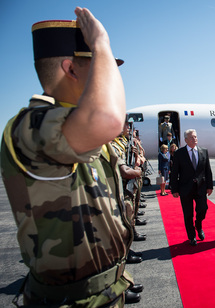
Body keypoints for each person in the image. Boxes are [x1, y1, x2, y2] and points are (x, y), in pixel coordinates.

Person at [0, 8, 140, 306]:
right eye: (100, 65)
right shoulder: (30, 126)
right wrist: (101, 43)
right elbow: (108, 118)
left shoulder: (80, 130)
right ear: (71, 69)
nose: (110, 72)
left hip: (106, 293)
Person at [170, 129, 213, 246]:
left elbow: (207, 170)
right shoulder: (179, 153)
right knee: (188, 214)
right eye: (192, 137)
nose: (195, 139)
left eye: (195, 136)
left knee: (203, 209)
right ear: (186, 140)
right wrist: (174, 189)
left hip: (201, 187)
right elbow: (174, 173)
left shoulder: (203, 151)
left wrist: (210, 186)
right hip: (185, 188)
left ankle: (198, 225)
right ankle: (192, 236)